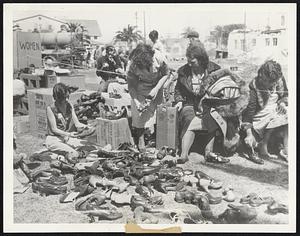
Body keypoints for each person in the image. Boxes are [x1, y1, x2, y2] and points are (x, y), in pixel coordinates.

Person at [174, 41, 236, 164]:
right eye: (188, 61)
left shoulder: (215, 70)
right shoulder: (184, 72)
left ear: (201, 60)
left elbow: (224, 87)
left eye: (193, 62)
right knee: (189, 118)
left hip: (209, 104)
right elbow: (178, 90)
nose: (190, 64)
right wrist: (180, 100)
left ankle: (209, 152)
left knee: (212, 117)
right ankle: (184, 154)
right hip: (190, 103)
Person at [242, 60, 288, 163]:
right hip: (261, 116)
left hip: (275, 109)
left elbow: (285, 94)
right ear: (261, 74)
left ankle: (287, 150)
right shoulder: (254, 86)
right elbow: (250, 112)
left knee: (287, 113)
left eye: (271, 82)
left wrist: (282, 103)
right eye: (264, 79)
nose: (265, 82)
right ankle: (264, 144)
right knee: (276, 114)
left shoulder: (279, 79)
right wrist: (249, 134)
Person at [127, 43, 170, 150]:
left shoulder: (159, 57)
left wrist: (156, 89)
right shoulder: (132, 65)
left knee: (159, 113)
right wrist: (137, 102)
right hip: (141, 86)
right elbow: (131, 86)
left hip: (157, 84)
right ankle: (140, 139)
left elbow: (166, 74)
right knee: (139, 115)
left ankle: (157, 137)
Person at [45, 83, 89, 163]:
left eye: (68, 97)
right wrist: (69, 134)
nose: (67, 100)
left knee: (88, 146)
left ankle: (58, 155)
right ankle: (54, 155)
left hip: (66, 138)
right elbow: (54, 129)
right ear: (57, 98)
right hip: (54, 139)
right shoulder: (51, 108)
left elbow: (77, 123)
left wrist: (87, 127)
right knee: (74, 154)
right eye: (64, 98)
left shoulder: (69, 106)